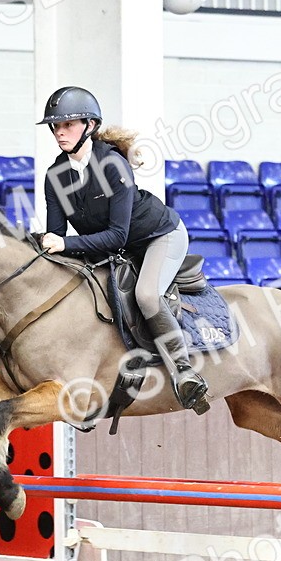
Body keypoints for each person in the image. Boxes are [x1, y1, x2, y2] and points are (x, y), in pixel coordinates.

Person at [37, 85, 209, 410]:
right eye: (56, 126)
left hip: (159, 236)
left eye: (68, 125)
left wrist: (63, 243)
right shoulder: (55, 175)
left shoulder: (113, 165)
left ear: (89, 126)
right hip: (112, 247)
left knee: (146, 295)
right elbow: (56, 238)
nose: (59, 132)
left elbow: (116, 236)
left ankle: (185, 374)